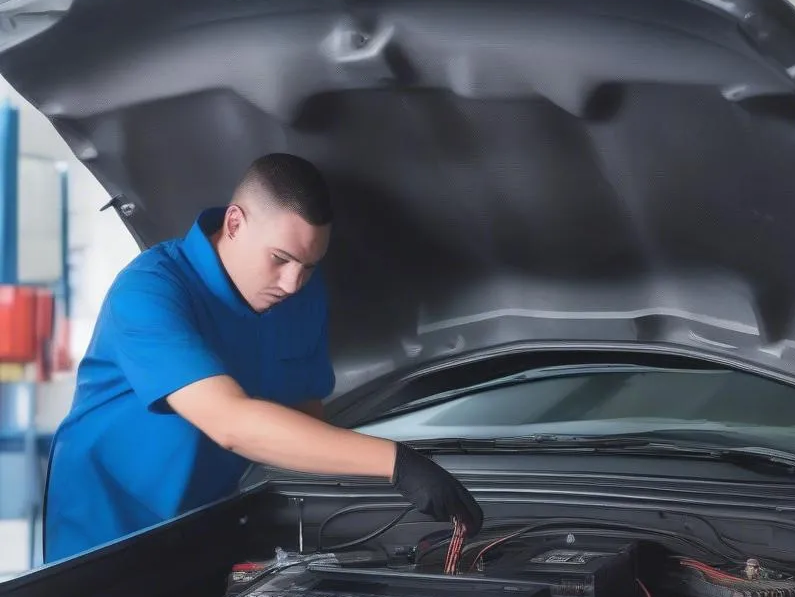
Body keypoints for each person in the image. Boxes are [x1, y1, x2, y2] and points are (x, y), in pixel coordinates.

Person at [43, 153, 482, 562]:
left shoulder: (301, 297)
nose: (293, 283)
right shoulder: (149, 291)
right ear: (234, 223)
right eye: (280, 259)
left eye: (308, 265)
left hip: (205, 520)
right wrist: (396, 463)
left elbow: (305, 416)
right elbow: (231, 423)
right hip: (105, 532)